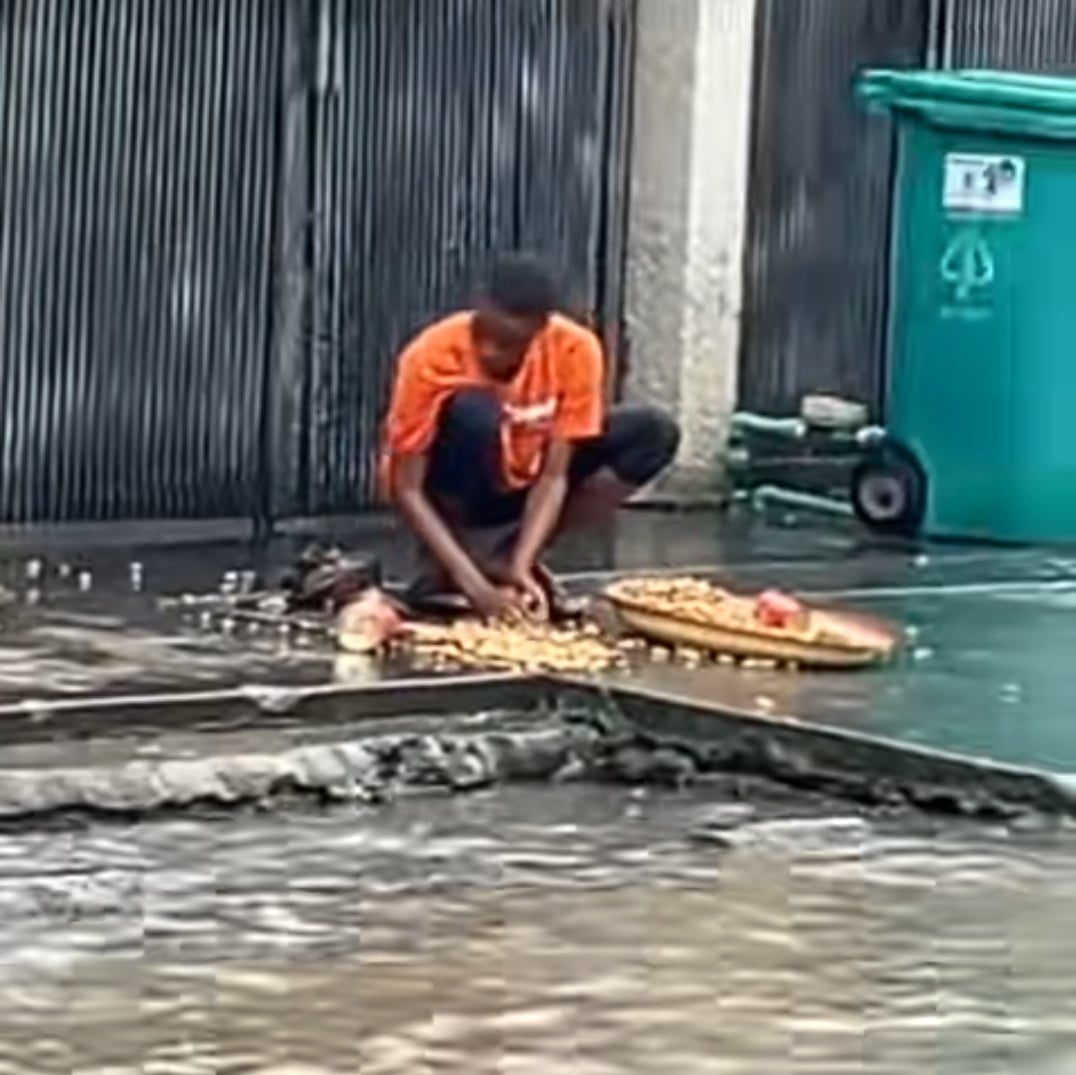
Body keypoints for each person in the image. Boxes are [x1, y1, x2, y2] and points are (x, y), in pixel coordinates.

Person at [379, 253, 680, 621]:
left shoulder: (576, 349)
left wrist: (522, 564)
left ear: (539, 332)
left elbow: (555, 475)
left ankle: (505, 558)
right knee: (474, 411)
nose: (491, 351)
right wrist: (473, 586)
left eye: (509, 344)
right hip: (457, 484)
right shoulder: (430, 355)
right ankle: (456, 562)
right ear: (477, 309)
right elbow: (406, 487)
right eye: (485, 336)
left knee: (652, 432)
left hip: (527, 478)